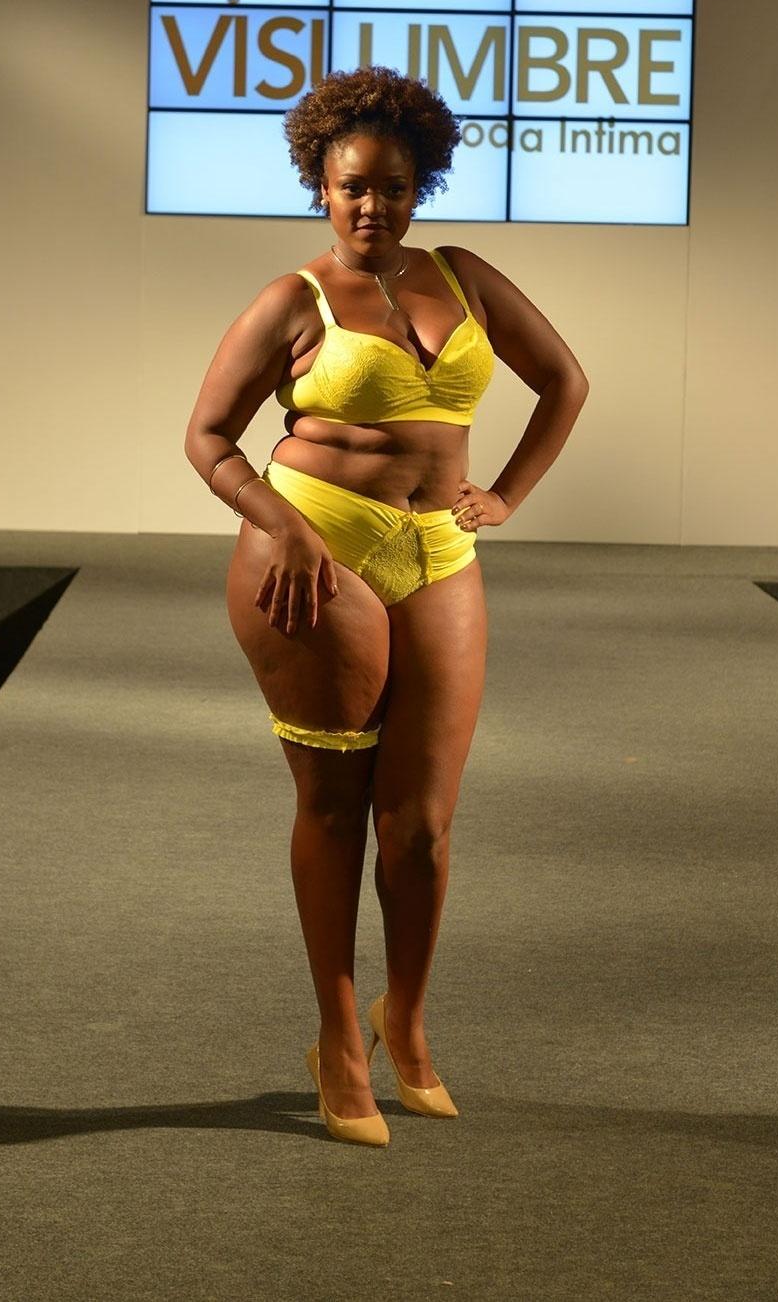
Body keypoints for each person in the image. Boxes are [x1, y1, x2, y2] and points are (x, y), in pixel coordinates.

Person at [185, 67, 589, 1147]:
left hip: (440, 550)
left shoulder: (465, 277)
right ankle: (336, 1037)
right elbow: (207, 438)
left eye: (394, 187)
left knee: (423, 824)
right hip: (315, 549)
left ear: (422, 187)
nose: (372, 205)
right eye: (352, 186)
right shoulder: (291, 299)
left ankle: (401, 1018)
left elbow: (565, 381)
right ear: (319, 185)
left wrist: (506, 494)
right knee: (335, 804)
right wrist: (279, 523)